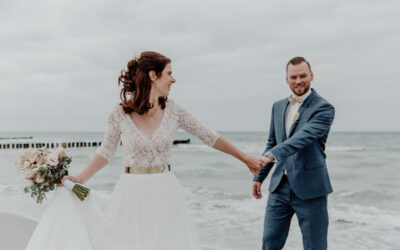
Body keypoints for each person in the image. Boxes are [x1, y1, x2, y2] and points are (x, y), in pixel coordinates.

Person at [26, 51, 263, 250]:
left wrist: (245, 158)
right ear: (153, 75)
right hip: (131, 192)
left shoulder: (174, 110)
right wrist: (79, 178)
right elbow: (105, 153)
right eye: (169, 73)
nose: (173, 80)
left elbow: (209, 137)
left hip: (165, 191)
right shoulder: (118, 113)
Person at [253, 57, 335, 250]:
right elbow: (272, 141)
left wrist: (270, 156)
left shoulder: (324, 108)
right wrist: (259, 176)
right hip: (279, 187)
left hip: (311, 188)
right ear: (286, 79)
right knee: (269, 243)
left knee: (315, 246)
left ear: (312, 76)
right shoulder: (278, 106)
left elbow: (302, 138)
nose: (298, 81)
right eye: (293, 77)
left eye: (303, 76)